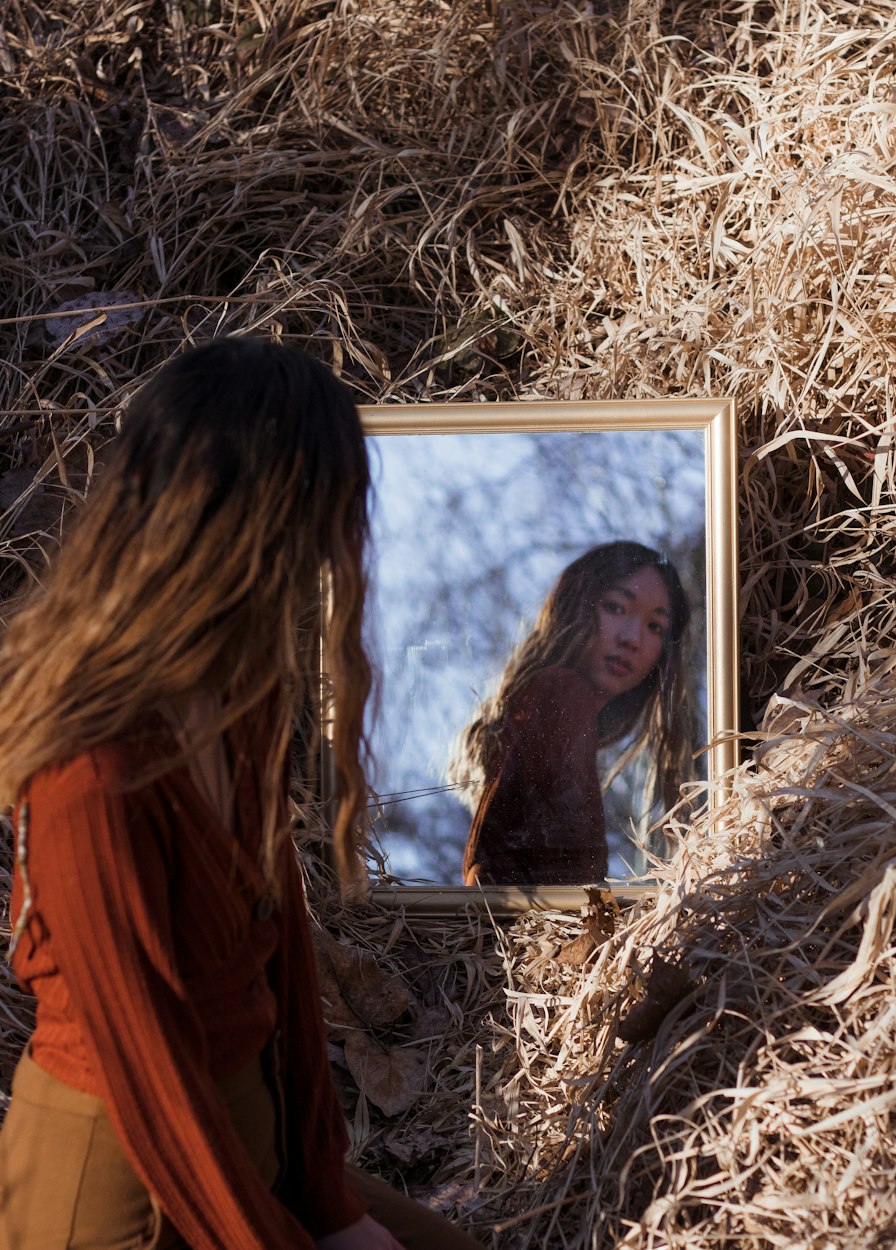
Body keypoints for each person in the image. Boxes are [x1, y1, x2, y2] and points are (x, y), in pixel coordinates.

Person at [0, 338, 482, 1250]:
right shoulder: (87, 772)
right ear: (250, 530)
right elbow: (147, 1078)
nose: (341, 549)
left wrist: (329, 1202)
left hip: (244, 1144)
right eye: (327, 516)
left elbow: (284, 967)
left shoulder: (238, 693)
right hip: (124, 1191)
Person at [456, 541, 692, 887]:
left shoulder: (552, 706)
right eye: (615, 607)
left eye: (655, 626)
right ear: (576, 607)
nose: (632, 638)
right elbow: (565, 888)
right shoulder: (562, 693)